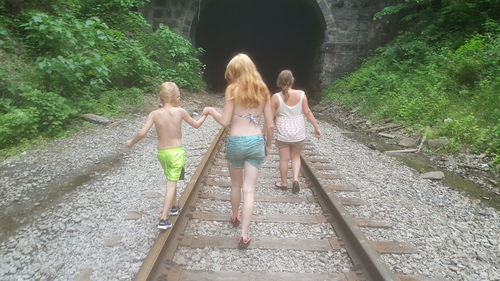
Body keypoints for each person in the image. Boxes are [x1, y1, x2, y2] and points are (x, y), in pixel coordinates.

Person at [203, 53, 274, 249]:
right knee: (249, 189)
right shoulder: (263, 90)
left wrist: (211, 111)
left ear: (235, 72)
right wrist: (267, 145)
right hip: (255, 142)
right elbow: (270, 125)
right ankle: (244, 234)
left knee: (236, 184)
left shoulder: (232, 89)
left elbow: (225, 121)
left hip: (236, 141)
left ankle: (235, 216)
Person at [125, 81, 208, 230]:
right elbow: (196, 125)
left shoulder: (154, 114)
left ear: (159, 99)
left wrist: (132, 142)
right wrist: (204, 115)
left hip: (162, 154)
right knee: (172, 182)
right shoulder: (180, 111)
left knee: (171, 177)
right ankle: (163, 218)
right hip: (176, 152)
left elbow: (142, 132)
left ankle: (175, 206)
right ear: (177, 98)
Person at [272, 70, 321, 194]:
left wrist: (265, 133)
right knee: (295, 157)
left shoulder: (276, 97)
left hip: (283, 132)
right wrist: (316, 127)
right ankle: (295, 180)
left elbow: (270, 117)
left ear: (279, 82)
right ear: (292, 80)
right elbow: (308, 112)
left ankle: (283, 183)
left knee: (284, 159)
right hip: (298, 132)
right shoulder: (301, 94)